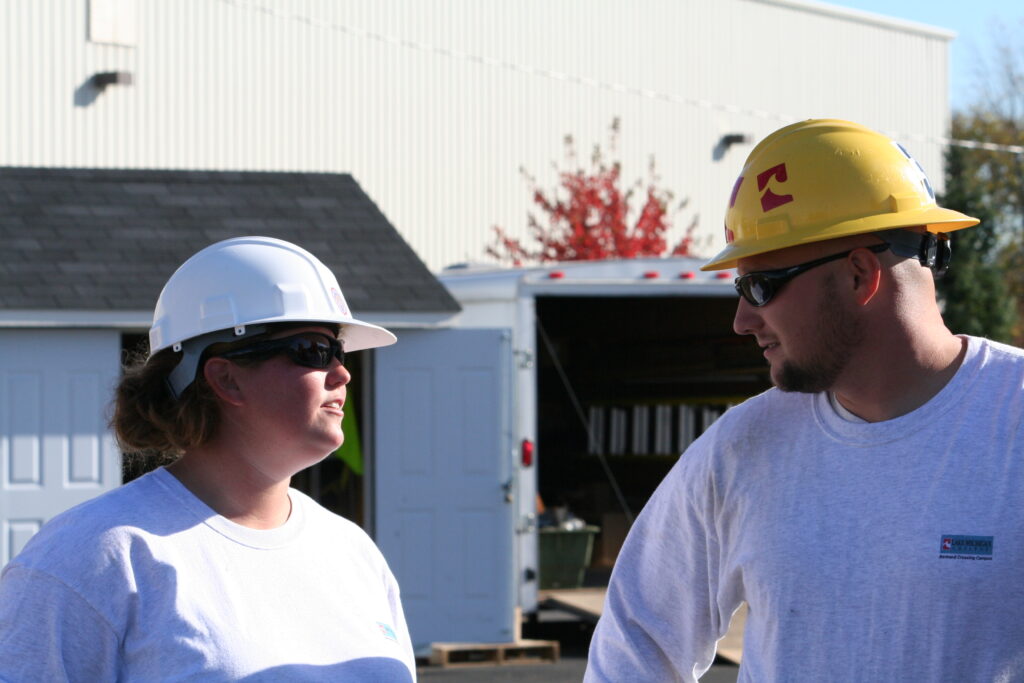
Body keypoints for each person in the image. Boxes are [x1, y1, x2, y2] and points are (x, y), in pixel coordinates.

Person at [585, 119, 1024, 681]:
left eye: (760, 287)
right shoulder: (742, 449)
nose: (743, 321)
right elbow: (634, 648)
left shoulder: (1011, 422)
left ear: (860, 273)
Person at [0, 236, 417, 681]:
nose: (343, 372)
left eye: (340, 349)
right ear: (225, 378)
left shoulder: (352, 553)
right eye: (314, 350)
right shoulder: (93, 556)